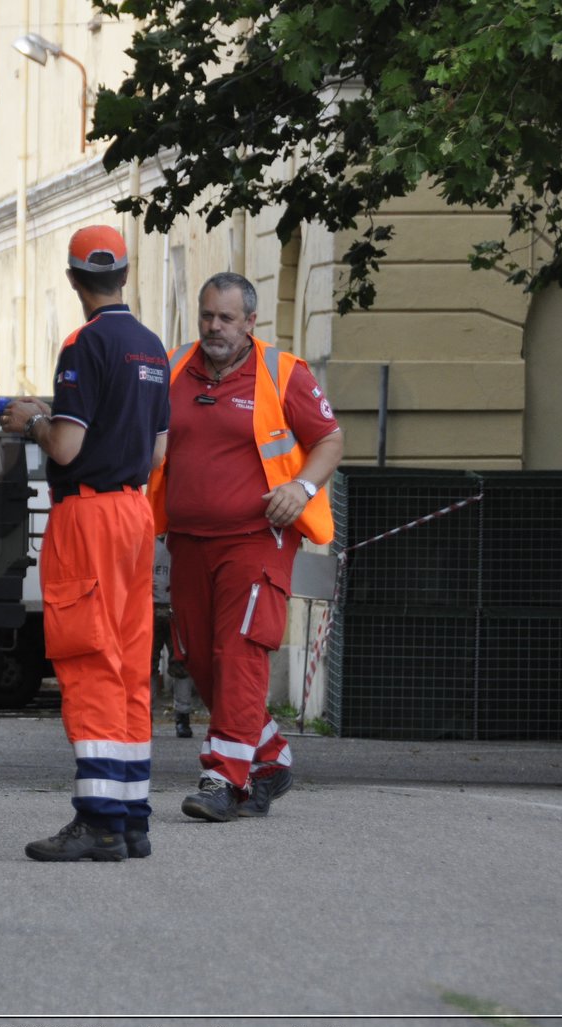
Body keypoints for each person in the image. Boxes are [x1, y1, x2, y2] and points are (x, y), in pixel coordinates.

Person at [2, 225, 170, 862]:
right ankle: (130, 816)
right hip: (134, 513)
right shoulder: (152, 347)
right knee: (129, 665)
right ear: (125, 274)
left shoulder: (83, 344)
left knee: (87, 659)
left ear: (73, 280)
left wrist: (33, 421)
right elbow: (157, 451)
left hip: (89, 518)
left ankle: (98, 820)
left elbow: (66, 445)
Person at [151, 272, 343, 821]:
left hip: (257, 539)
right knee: (197, 660)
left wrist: (301, 487)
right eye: (207, 315)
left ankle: (222, 778)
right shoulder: (170, 368)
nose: (213, 327)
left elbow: (330, 440)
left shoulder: (283, 373)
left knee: (238, 653)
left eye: (226, 318)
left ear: (250, 322)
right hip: (186, 540)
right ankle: (270, 756)